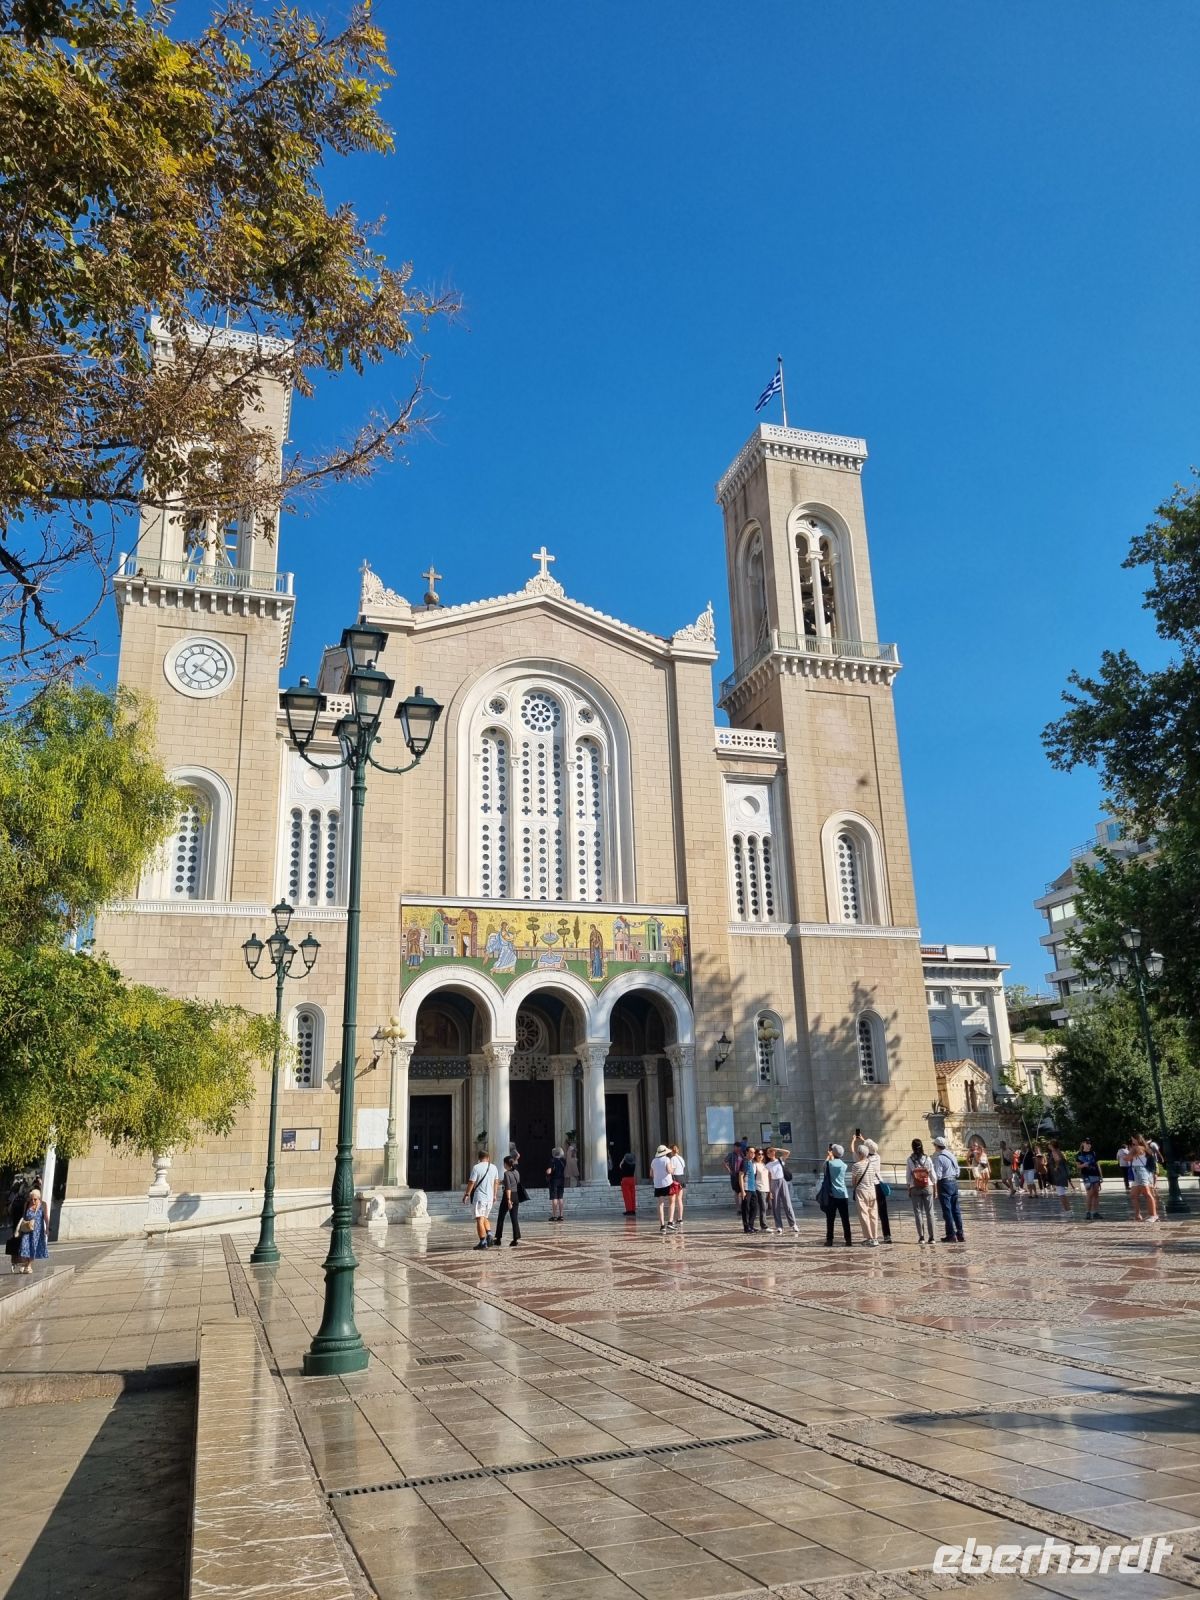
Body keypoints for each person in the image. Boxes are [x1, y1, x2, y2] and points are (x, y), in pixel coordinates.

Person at [463, 1153, 500, 1249]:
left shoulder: (476, 1167)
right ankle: (489, 1234)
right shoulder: (494, 1167)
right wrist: (495, 1195)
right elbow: (496, 1182)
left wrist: (467, 1194)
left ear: (479, 1158)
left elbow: (472, 1182)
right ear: (488, 1157)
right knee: (484, 1217)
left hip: (480, 1197)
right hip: (489, 1198)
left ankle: (483, 1242)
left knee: (479, 1219)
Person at [850, 1137, 882, 1246]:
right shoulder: (872, 1164)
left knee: (864, 1214)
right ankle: (875, 1237)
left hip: (861, 1191)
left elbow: (853, 1182)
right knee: (873, 1214)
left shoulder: (856, 1166)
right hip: (872, 1190)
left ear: (859, 1154)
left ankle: (869, 1238)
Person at [932, 1136, 964, 1243]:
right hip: (954, 1182)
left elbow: (938, 1175)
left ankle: (951, 1234)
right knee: (956, 1209)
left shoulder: (939, 1158)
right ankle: (960, 1233)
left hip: (944, 1183)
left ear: (937, 1146)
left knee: (947, 1210)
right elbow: (958, 1171)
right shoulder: (951, 1155)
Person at [906, 1138, 937, 1244]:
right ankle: (932, 1237)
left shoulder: (910, 1160)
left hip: (915, 1187)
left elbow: (908, 1176)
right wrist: (935, 1189)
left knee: (918, 1213)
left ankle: (921, 1237)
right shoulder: (927, 1159)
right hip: (927, 1186)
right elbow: (933, 1175)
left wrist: (909, 1188)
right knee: (930, 1212)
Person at [822, 1143, 852, 1247]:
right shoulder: (844, 1165)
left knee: (830, 1219)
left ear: (833, 1152)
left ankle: (829, 1240)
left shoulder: (829, 1164)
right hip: (843, 1194)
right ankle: (848, 1239)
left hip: (832, 1195)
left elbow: (824, 1169)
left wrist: (828, 1156)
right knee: (845, 1218)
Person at [766, 1145, 799, 1235]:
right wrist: (769, 1191)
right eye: (769, 1152)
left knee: (787, 1203)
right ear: (767, 1154)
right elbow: (768, 1178)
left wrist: (777, 1149)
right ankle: (779, 1226)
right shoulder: (767, 1165)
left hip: (782, 1181)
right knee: (775, 1205)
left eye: (772, 1151)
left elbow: (788, 1152)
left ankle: (793, 1224)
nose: (771, 1153)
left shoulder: (780, 1160)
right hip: (773, 1182)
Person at [1129, 1135, 1158, 1223]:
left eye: (1133, 1138)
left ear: (1137, 1139)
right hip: (1139, 1171)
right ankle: (1140, 1215)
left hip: (1140, 1171)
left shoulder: (1137, 1148)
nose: (1131, 1139)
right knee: (1134, 1195)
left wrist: (1130, 1152)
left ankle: (1153, 1215)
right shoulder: (1144, 1147)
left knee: (1147, 1193)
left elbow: (1126, 1158)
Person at [494, 1155, 522, 1246]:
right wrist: (501, 1182)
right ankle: (515, 1239)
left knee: (501, 1217)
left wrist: (509, 1200)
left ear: (506, 1164)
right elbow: (514, 1183)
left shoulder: (506, 1173)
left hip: (508, 1196)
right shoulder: (516, 1172)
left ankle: (498, 1238)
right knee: (514, 1218)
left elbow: (508, 1187)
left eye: (504, 1163)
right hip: (516, 1195)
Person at [650, 1143, 676, 1232]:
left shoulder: (653, 1161)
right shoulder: (666, 1159)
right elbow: (669, 1170)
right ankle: (670, 1222)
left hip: (657, 1184)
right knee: (672, 1202)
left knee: (660, 1204)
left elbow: (651, 1174)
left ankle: (662, 1226)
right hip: (667, 1183)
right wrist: (673, 1169)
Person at [1077, 1138, 1103, 1220]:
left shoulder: (1093, 1153)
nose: (1089, 1145)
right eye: (1087, 1143)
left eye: (1090, 1143)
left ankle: (1095, 1212)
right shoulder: (1079, 1154)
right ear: (1083, 1143)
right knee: (1090, 1193)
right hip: (1086, 1175)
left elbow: (1097, 1164)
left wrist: (1101, 1176)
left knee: (1096, 1194)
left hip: (1095, 1174)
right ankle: (1088, 1212)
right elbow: (1078, 1166)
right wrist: (1083, 1165)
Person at [738, 1145, 759, 1234]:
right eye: (751, 1152)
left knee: (754, 1207)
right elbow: (741, 1176)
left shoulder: (752, 1162)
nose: (753, 1154)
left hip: (753, 1188)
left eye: (754, 1152)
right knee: (746, 1208)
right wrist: (742, 1191)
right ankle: (746, 1227)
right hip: (746, 1188)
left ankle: (751, 1225)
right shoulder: (745, 1162)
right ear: (747, 1152)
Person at [546, 1146, 567, 1222]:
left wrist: (547, 1172)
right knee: (560, 1198)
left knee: (554, 1198)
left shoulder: (552, 1161)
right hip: (561, 1180)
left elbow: (549, 1171)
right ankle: (561, 1215)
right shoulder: (563, 1161)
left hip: (554, 1180)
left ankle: (554, 1216)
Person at [752, 1147, 771, 1232]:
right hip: (759, 1188)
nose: (760, 1156)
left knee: (766, 1207)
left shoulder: (764, 1165)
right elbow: (752, 1176)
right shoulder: (754, 1164)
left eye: (762, 1154)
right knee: (763, 1207)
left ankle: (763, 1224)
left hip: (766, 1188)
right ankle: (764, 1226)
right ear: (755, 1155)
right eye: (759, 1154)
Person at [668, 1144, 686, 1227]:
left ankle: (672, 1219)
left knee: (673, 1200)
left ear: (671, 1150)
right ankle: (680, 1218)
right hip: (682, 1178)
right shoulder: (681, 1158)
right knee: (680, 1200)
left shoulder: (672, 1159)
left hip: (676, 1179)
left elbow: (671, 1170)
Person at [723, 1142, 744, 1207]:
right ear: (734, 1147)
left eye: (739, 1147)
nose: (738, 1149)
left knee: (742, 1190)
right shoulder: (731, 1154)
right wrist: (729, 1170)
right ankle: (738, 1208)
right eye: (736, 1147)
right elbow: (724, 1162)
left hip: (741, 1175)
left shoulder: (742, 1154)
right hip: (734, 1175)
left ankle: (743, 1206)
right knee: (736, 1191)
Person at [619, 1150, 637, 1215]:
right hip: (632, 1179)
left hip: (625, 1179)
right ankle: (633, 1210)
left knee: (627, 1196)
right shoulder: (633, 1164)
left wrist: (623, 1159)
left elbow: (620, 1166)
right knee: (633, 1195)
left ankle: (629, 1210)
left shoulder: (624, 1164)